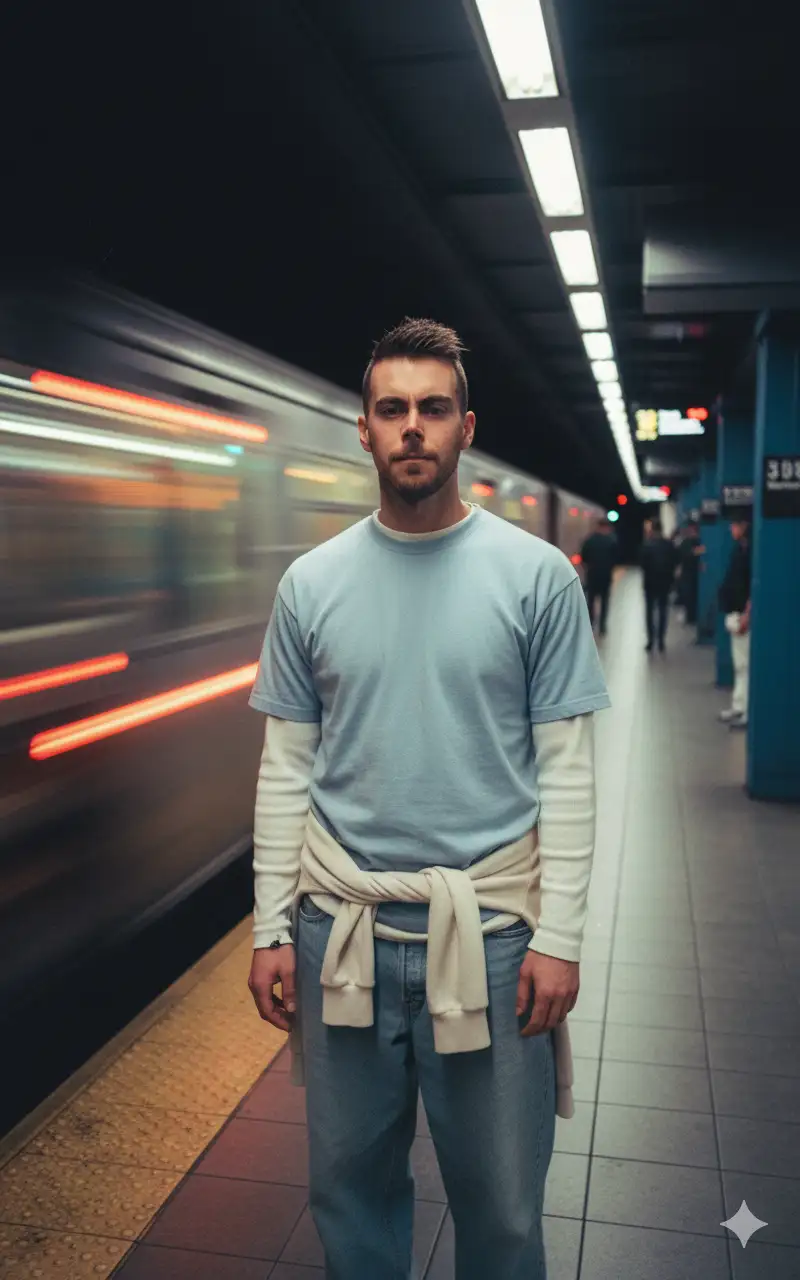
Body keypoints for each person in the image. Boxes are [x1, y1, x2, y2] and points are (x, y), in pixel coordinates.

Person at [247, 318, 611, 1280]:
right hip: (342, 933)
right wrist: (268, 929)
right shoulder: (309, 585)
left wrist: (560, 937)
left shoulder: (537, 578)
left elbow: (568, 770)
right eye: (393, 409)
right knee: (348, 1194)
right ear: (363, 430)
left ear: (465, 428)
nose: (414, 427)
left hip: (491, 938)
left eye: (434, 410)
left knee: (501, 1209)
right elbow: (286, 767)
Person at [718, 520, 752, 729]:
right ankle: (739, 705)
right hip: (735, 612)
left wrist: (748, 614)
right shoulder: (740, 549)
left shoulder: (750, 552)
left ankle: (746, 710)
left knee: (745, 665)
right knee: (739, 664)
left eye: (735, 525)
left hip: (743, 615)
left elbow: (751, 585)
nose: (731, 529)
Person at [640, 518, 678, 653]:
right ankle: (661, 641)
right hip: (665, 583)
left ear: (652, 530)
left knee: (649, 612)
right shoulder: (669, 545)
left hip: (650, 583)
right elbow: (675, 562)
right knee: (663, 611)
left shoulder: (647, 545)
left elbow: (643, 565)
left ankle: (650, 641)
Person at [579, 516, 617, 635]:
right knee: (605, 601)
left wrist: (588, 566)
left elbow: (583, 557)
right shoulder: (611, 540)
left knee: (590, 600)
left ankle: (591, 623)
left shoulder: (589, 540)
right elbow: (616, 558)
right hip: (605, 575)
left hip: (592, 575)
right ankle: (602, 626)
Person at [677, 521, 704, 625]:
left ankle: (691, 617)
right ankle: (691, 617)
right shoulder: (690, 542)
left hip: (689, 574)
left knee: (690, 596)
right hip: (690, 574)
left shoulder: (685, 542)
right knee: (690, 596)